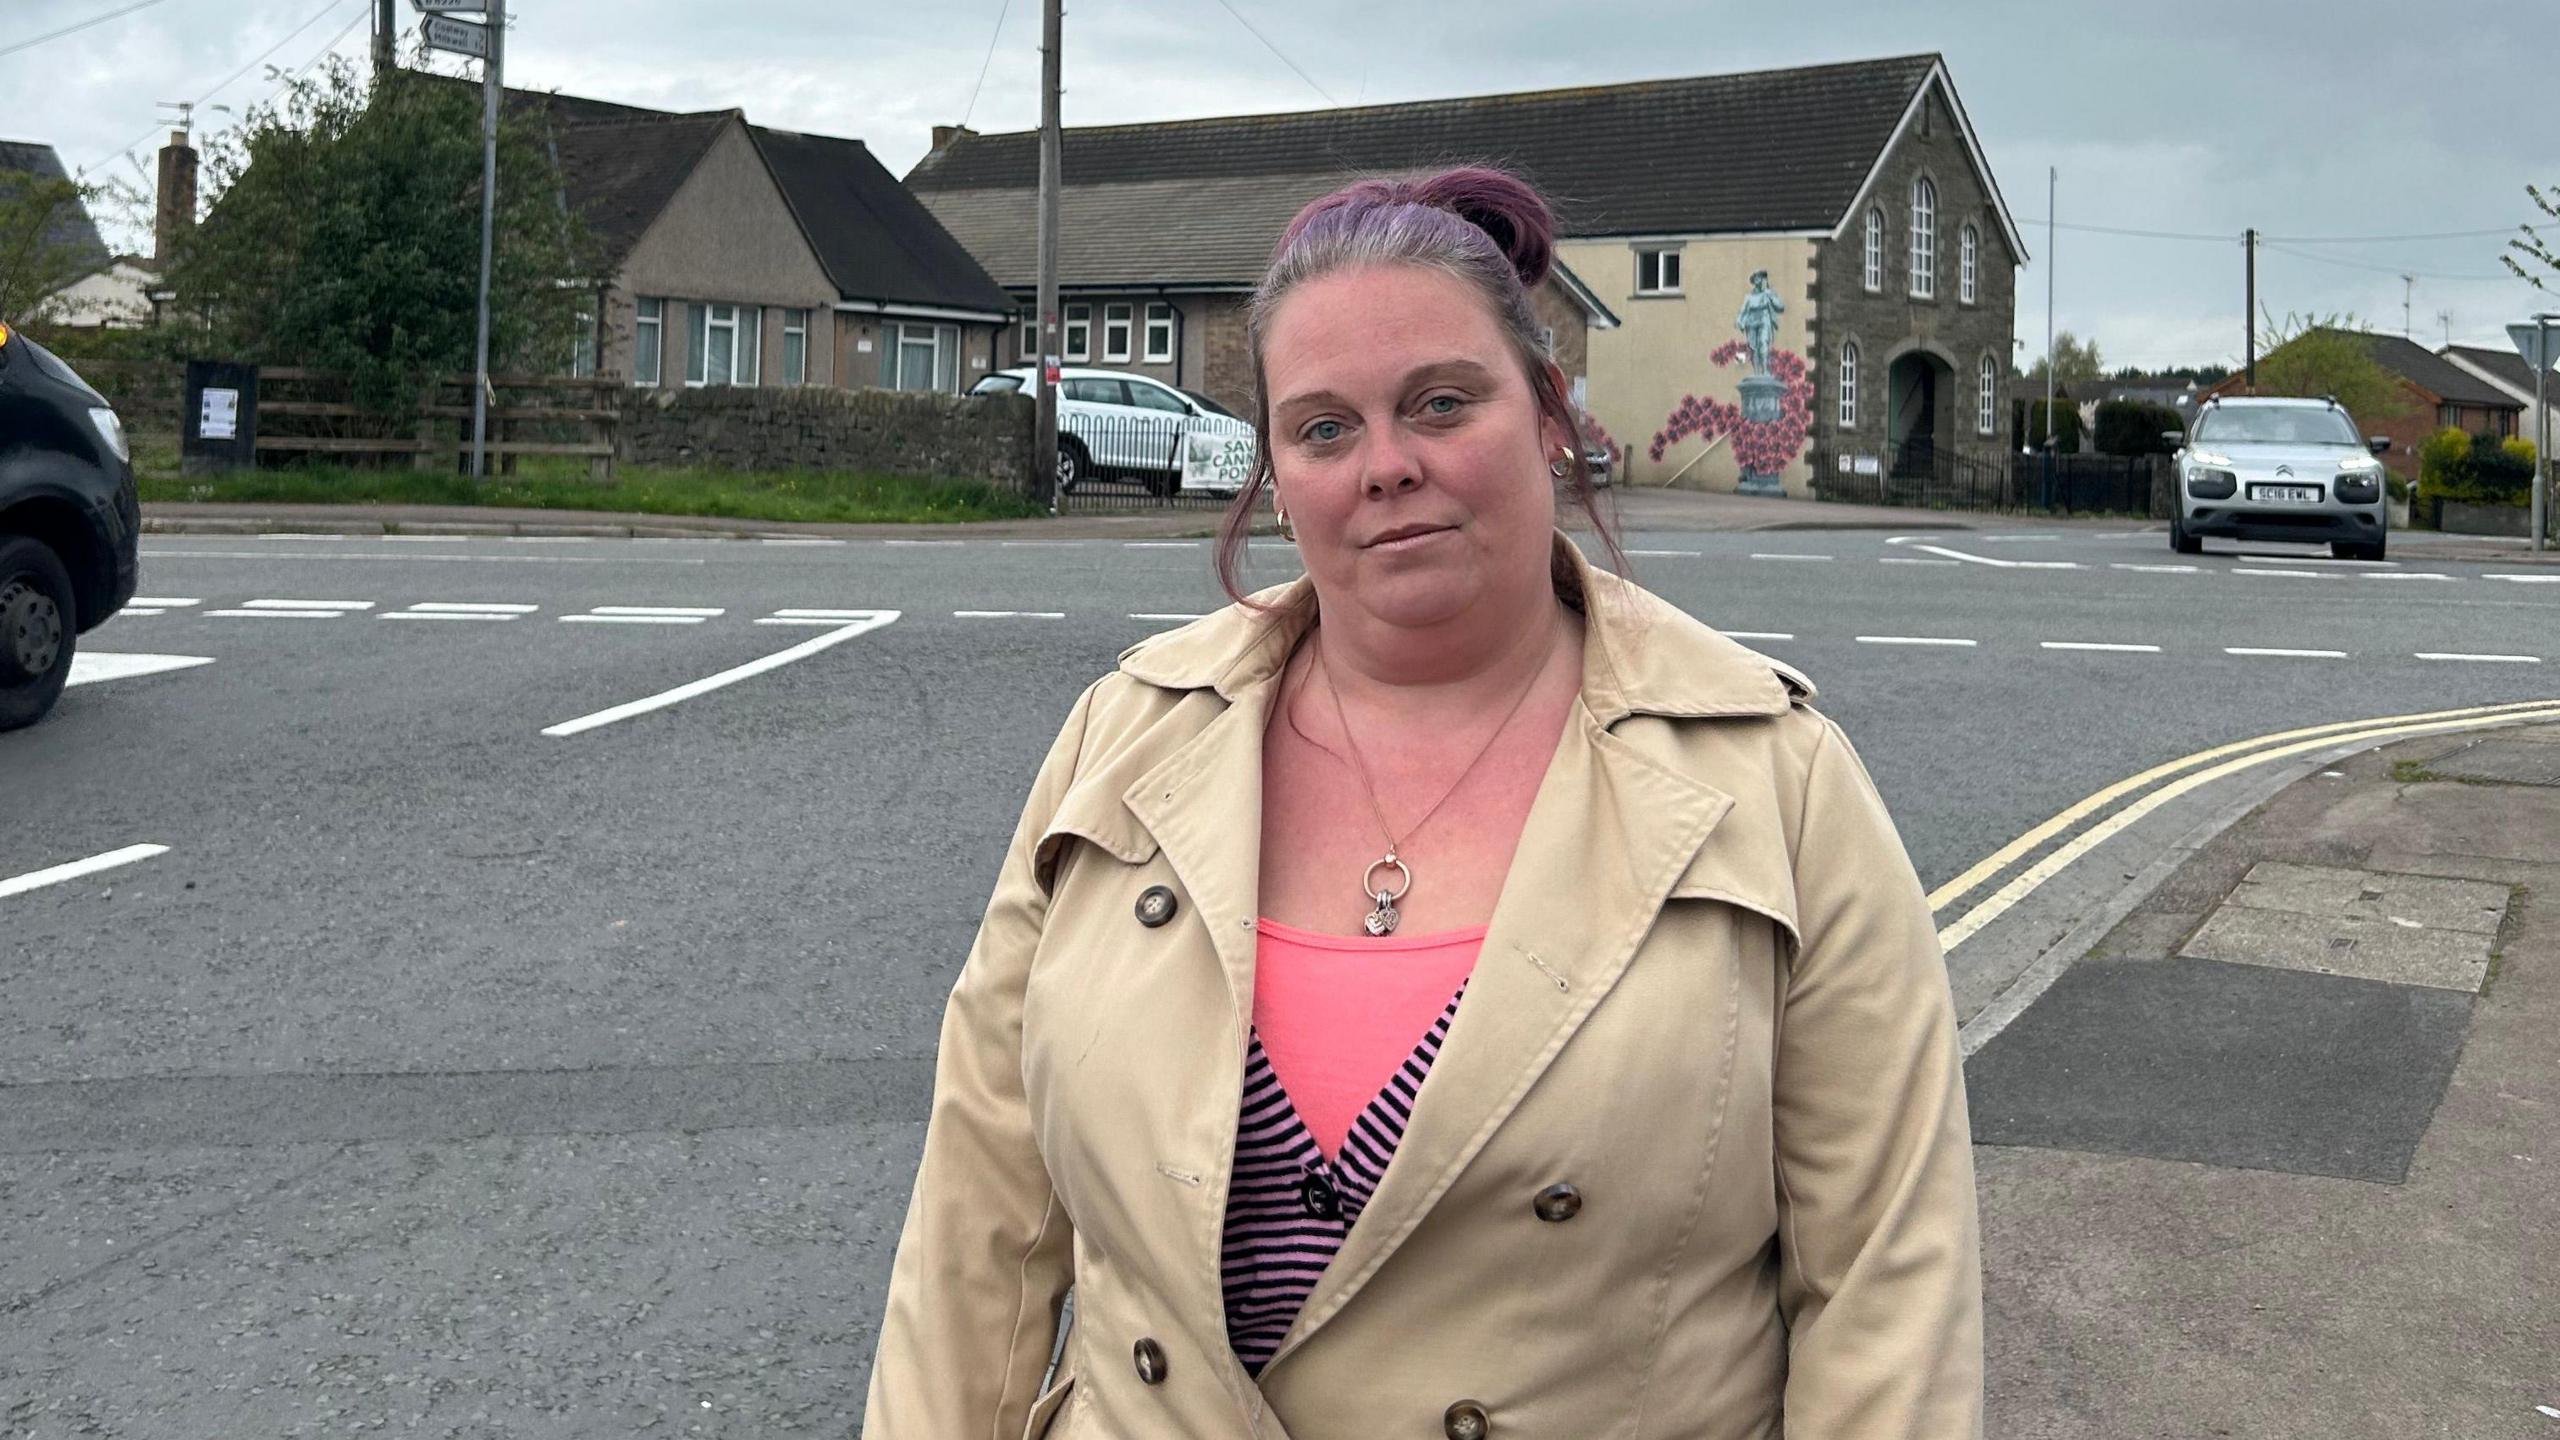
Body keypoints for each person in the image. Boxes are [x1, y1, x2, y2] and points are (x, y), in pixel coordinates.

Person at [862, 166, 1982, 1439]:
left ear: (1549, 415)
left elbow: (1888, 1287)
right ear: (1276, 472)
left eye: (1440, 404)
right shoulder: (1122, 739)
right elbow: (978, 1221)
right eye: (1323, 428)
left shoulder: (1772, 778)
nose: (1385, 466)